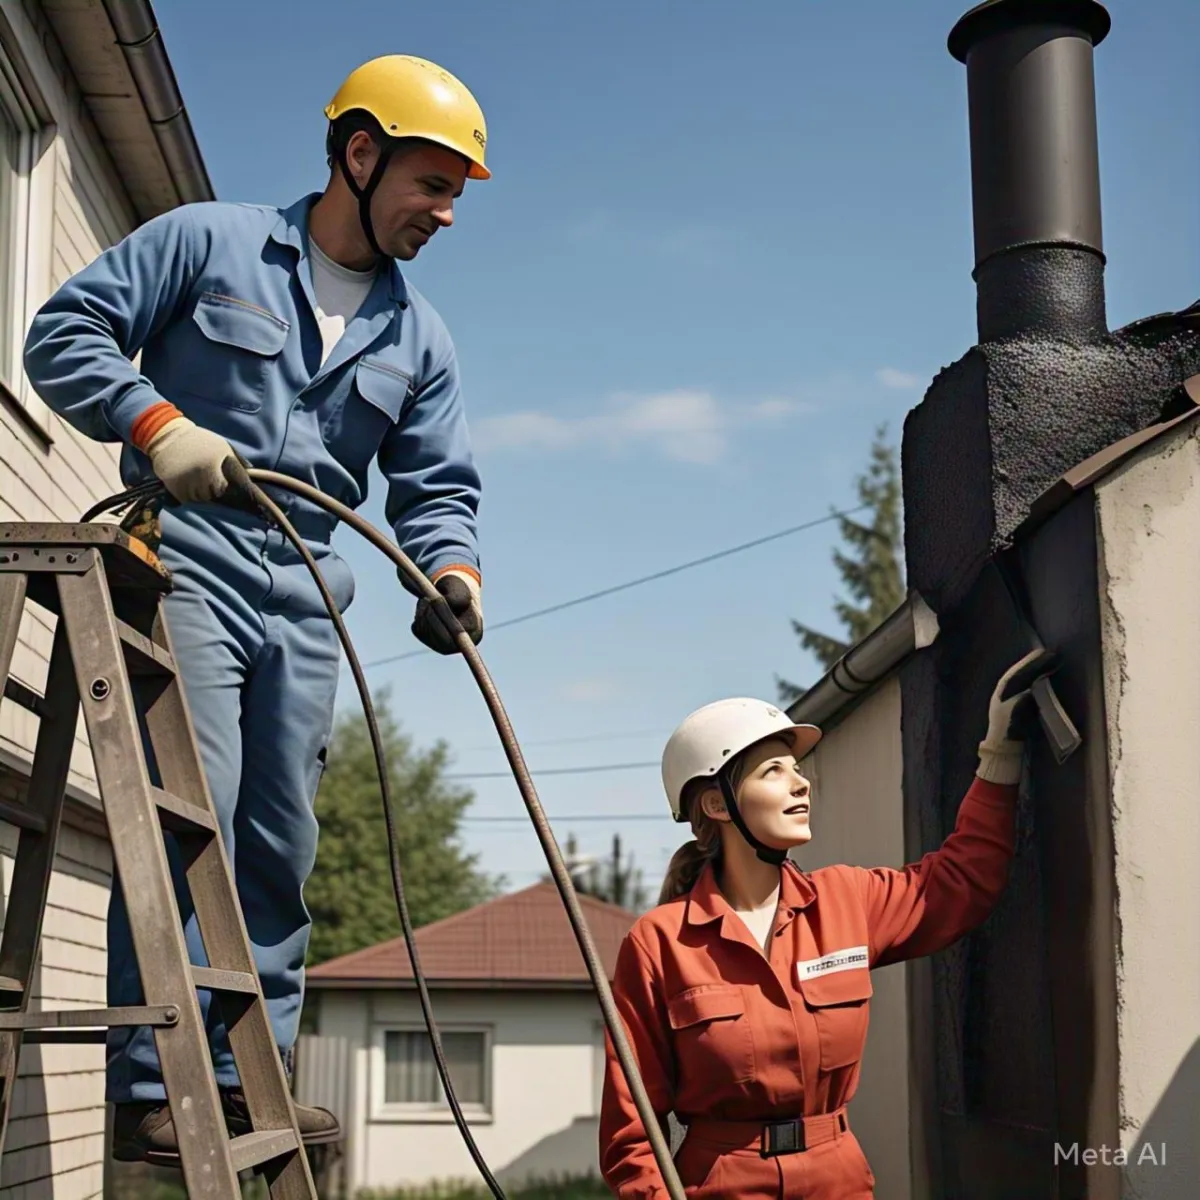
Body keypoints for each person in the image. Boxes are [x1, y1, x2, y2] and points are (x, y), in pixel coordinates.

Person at [22, 54, 491, 1164]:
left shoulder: (419, 338)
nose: (444, 214)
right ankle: (151, 1083)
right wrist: (153, 423)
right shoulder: (209, 242)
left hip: (308, 588)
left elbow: (438, 487)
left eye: (458, 195)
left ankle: (245, 1075)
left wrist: (453, 572)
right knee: (202, 807)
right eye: (432, 184)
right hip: (185, 556)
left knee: (280, 836)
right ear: (360, 154)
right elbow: (61, 337)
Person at [599, 650, 1049, 1198]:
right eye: (773, 772)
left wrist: (998, 752)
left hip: (838, 1180)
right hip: (720, 1186)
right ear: (717, 803)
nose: (801, 784)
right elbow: (631, 1132)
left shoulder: (848, 901)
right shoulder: (659, 944)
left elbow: (961, 884)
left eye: (796, 769)